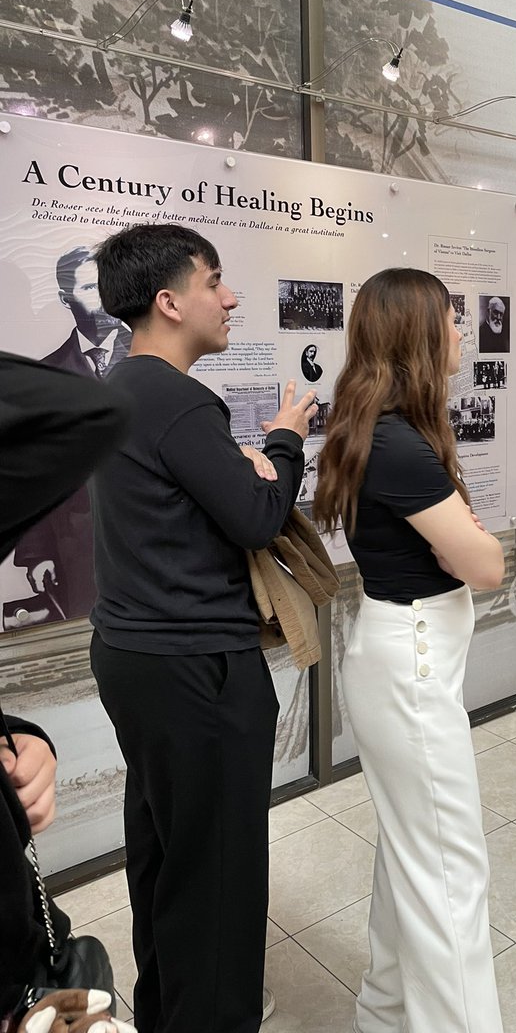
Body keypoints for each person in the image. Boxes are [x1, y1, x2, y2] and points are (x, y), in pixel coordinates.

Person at [88, 223, 318, 1033]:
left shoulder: (115, 389)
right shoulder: (178, 401)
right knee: (219, 879)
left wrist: (243, 465)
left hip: (134, 654)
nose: (229, 297)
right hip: (196, 665)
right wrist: (285, 442)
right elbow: (257, 517)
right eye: (214, 281)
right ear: (168, 299)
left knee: (165, 857)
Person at [314, 268, 506, 1033]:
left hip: (404, 655)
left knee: (412, 853)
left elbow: (469, 551)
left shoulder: (385, 430)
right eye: (452, 321)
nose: (462, 332)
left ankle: (389, 1013)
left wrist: (470, 535)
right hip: (412, 664)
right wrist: (475, 534)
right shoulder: (397, 443)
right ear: (419, 336)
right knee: (449, 870)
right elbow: (486, 565)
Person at [1, 351, 132, 1032]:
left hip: (25, 970)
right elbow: (81, 412)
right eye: (212, 281)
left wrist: (22, 735)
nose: (229, 298)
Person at [13, 248, 131, 625]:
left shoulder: (155, 359)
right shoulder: (49, 375)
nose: (103, 295)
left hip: (157, 535)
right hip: (81, 546)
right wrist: (36, 552)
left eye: (106, 285)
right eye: (88, 287)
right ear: (67, 298)